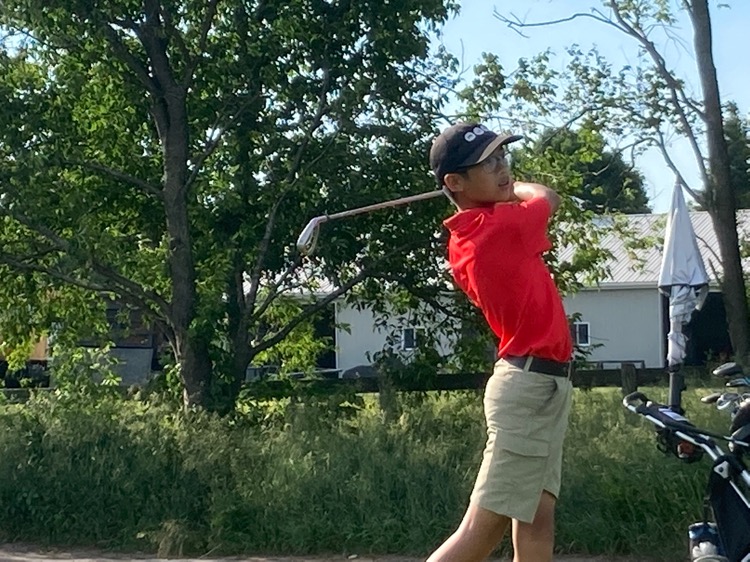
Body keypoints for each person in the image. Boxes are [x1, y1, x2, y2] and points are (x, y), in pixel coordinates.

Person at [426, 122, 574, 562]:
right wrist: (515, 189)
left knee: (536, 519)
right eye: (488, 163)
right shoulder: (497, 228)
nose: (502, 168)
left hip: (540, 385)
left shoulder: (471, 230)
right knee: (481, 530)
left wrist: (499, 188)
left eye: (502, 157)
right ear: (455, 182)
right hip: (529, 389)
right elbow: (547, 196)